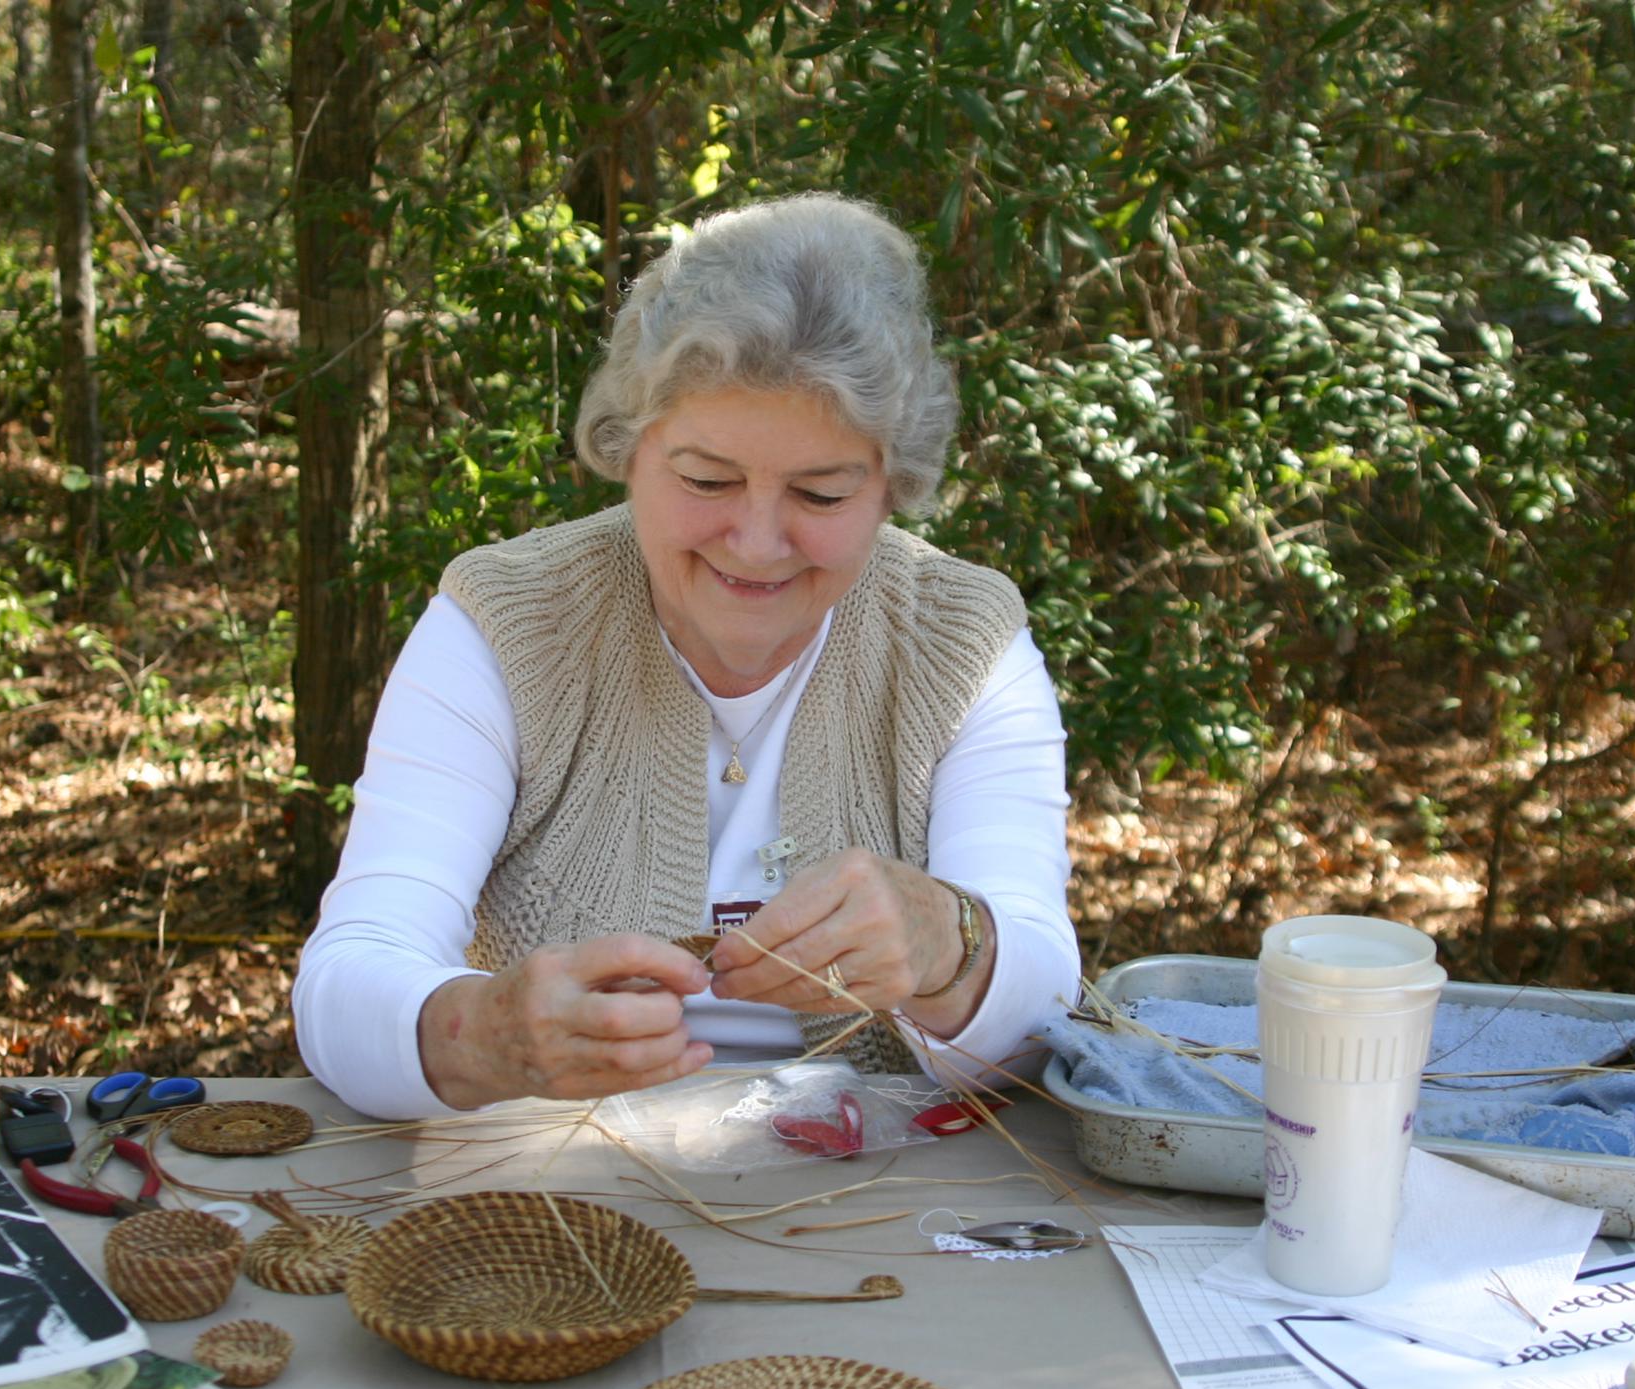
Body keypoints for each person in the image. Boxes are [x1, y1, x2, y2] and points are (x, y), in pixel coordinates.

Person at [293, 193, 1080, 1119]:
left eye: (820, 495)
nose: (755, 542)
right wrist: (487, 1030)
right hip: (552, 1220)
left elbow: (1044, 1025)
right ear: (628, 450)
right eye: (707, 480)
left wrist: (951, 945)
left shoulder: (963, 643)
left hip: (882, 1233)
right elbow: (347, 981)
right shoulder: (509, 623)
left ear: (891, 486)